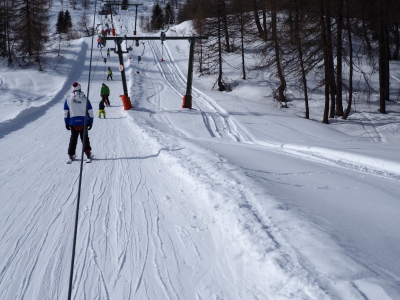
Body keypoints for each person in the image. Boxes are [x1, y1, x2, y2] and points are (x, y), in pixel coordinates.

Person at [64, 82, 94, 160]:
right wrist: (91, 121)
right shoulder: (85, 98)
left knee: (73, 138)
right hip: (84, 122)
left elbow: (66, 112)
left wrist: (66, 122)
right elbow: (90, 111)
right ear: (80, 89)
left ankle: (71, 154)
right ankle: (88, 153)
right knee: (84, 138)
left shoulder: (68, 98)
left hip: (73, 122)